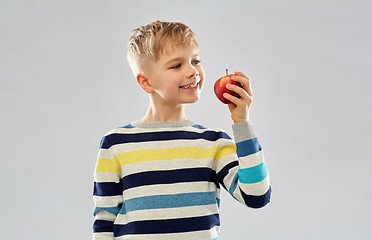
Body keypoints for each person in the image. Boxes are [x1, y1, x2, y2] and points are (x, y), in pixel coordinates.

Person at [92, 20, 271, 240]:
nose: (192, 71)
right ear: (146, 82)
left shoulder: (214, 142)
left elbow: (257, 196)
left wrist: (241, 122)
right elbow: (104, 220)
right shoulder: (115, 144)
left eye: (195, 61)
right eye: (177, 65)